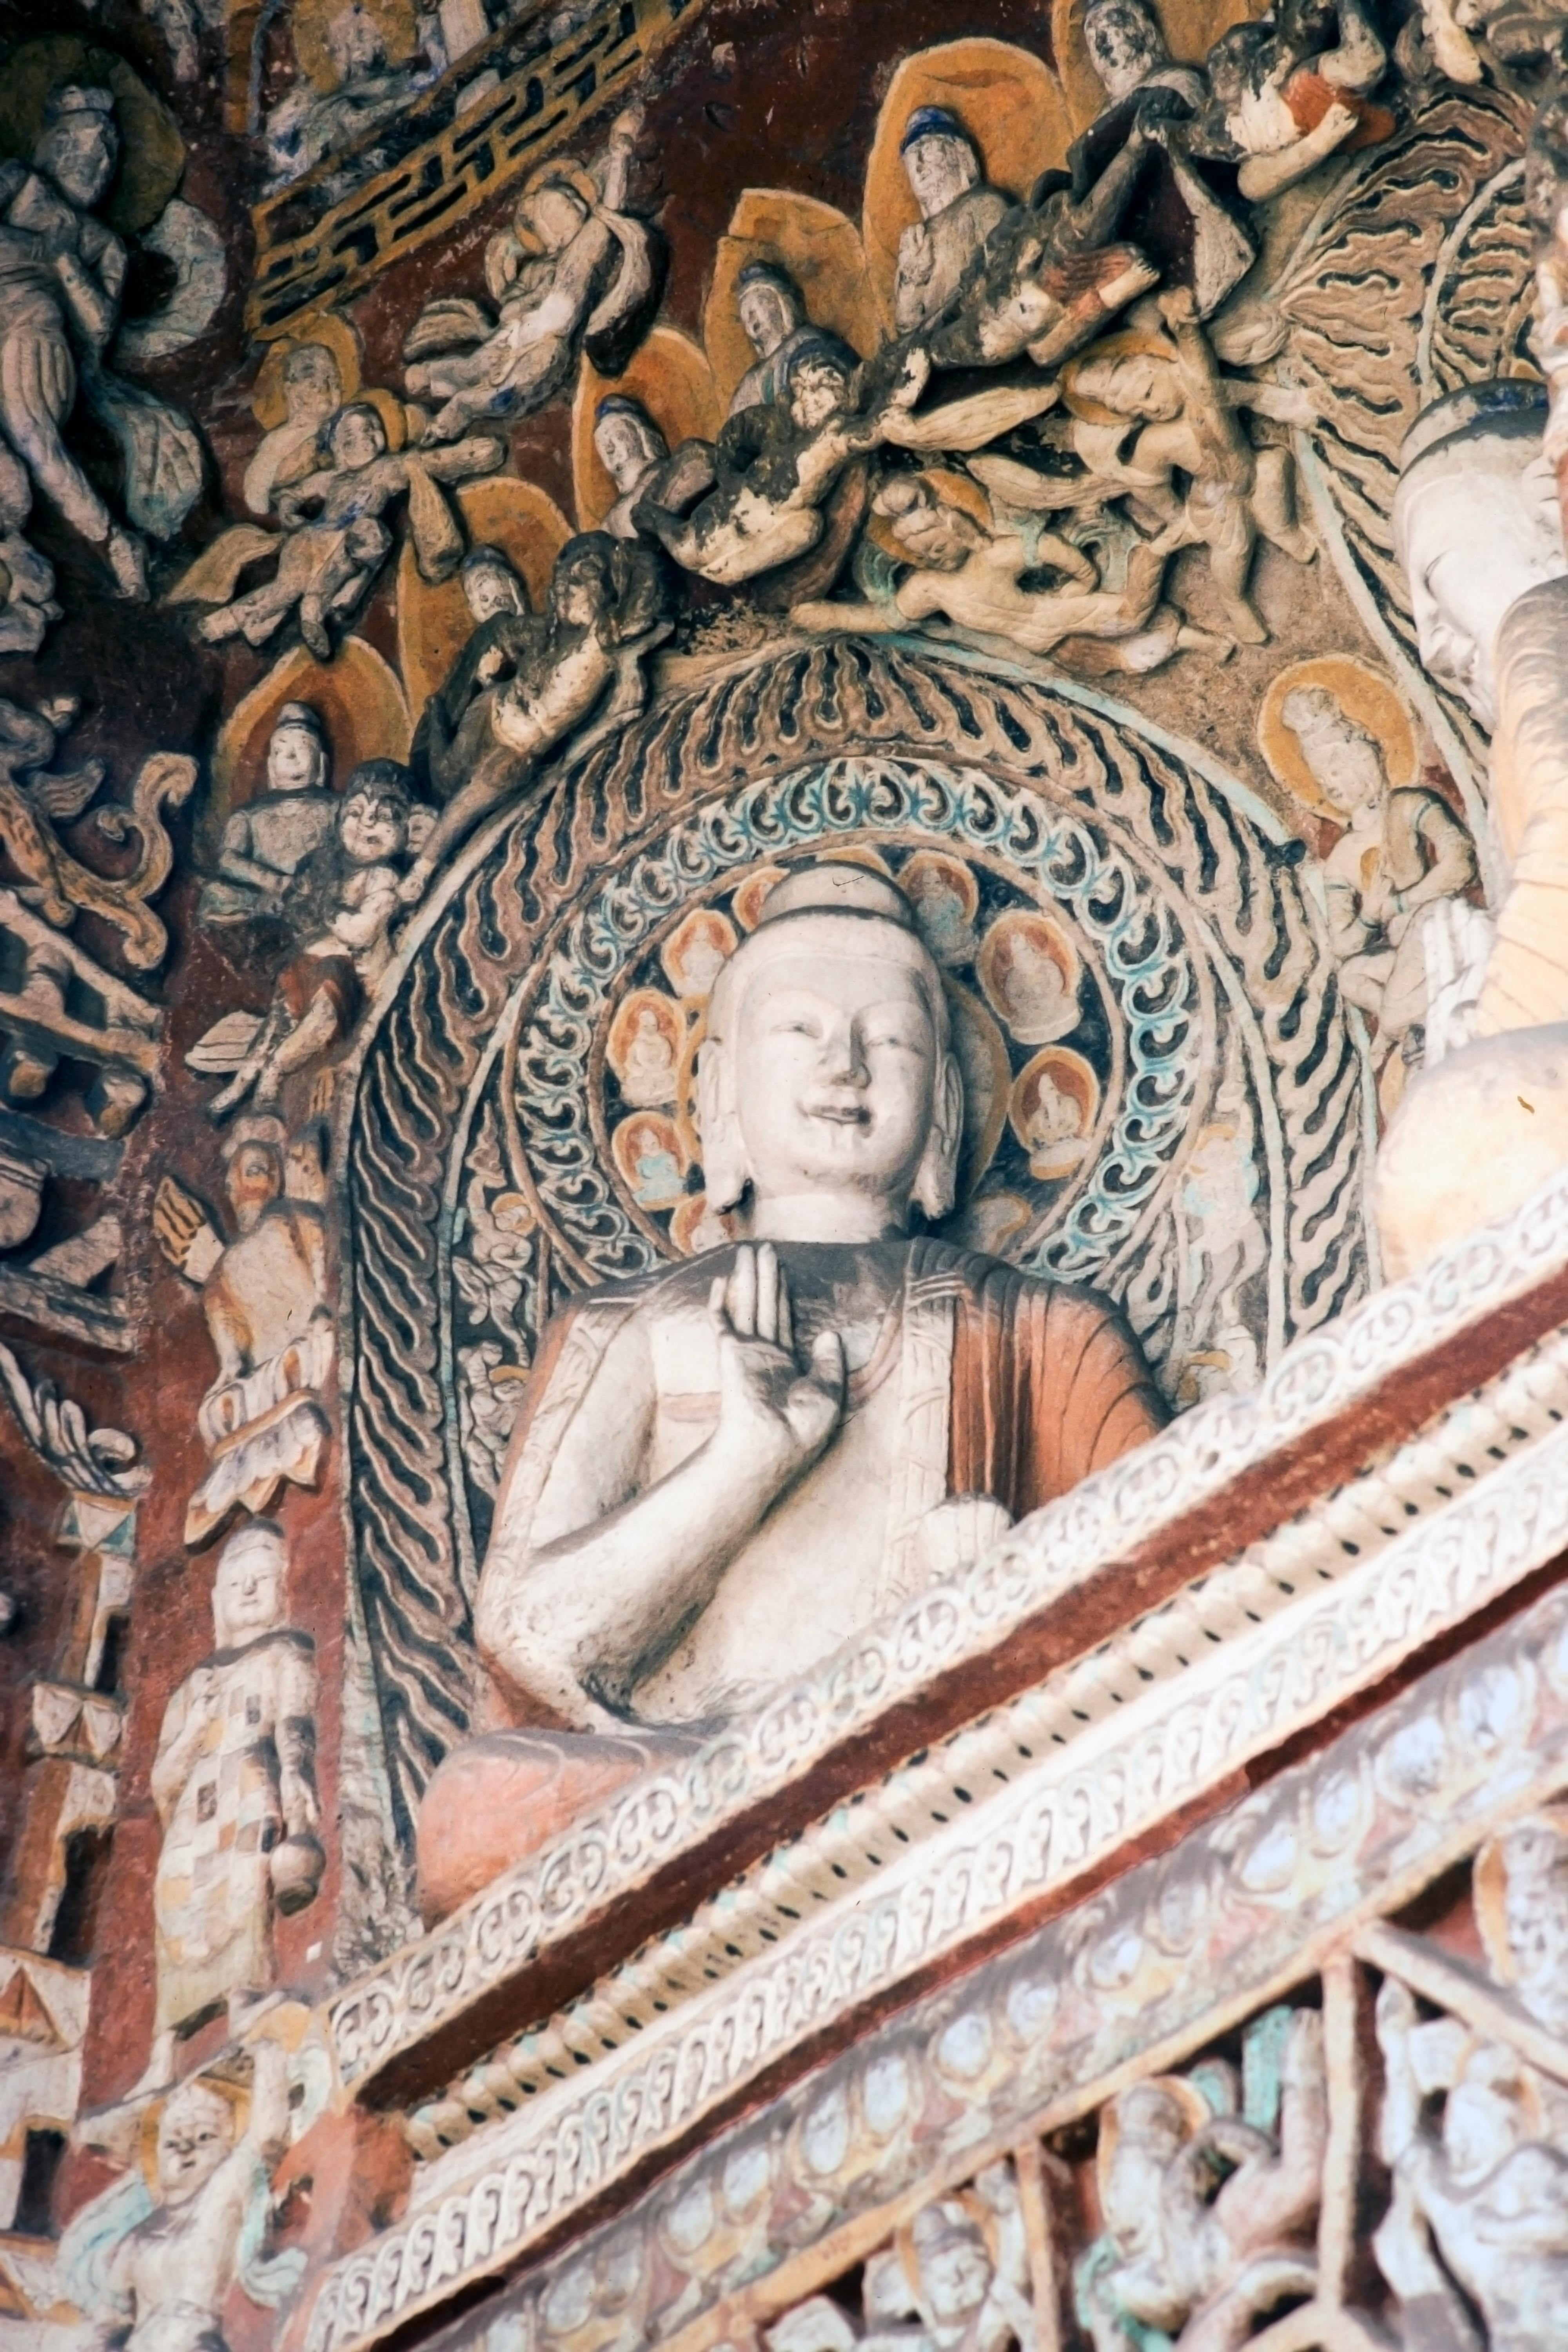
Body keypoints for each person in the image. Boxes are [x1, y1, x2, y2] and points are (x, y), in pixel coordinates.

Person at [417, 862, 1165, 1915]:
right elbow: (532, 1639)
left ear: (944, 1106)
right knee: (480, 1809)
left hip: (935, 1731)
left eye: (893, 1040)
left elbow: (1170, 1588)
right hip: (695, 1769)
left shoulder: (1040, 1328)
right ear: (720, 1092)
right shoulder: (624, 1327)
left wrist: (1011, 1594)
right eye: (801, 1032)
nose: (847, 1065)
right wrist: (742, 1467)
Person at [0, 85, 198, 597]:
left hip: (32, 325)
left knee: (32, 437)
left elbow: (99, 326)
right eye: (83, 145)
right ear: (53, 143)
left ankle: (115, 541)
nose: (96, 160)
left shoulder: (102, 242)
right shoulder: (19, 181)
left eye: (107, 152)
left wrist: (65, 260)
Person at [144, 1521, 321, 2087]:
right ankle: (164, 2053)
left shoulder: (285, 1654)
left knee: (244, 1886)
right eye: (237, 1581)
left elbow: (295, 1725)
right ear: (218, 1598)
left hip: (250, 1788)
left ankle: (247, 1999)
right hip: (193, 1812)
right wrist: (196, 1726)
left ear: (284, 1586)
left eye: (262, 1578)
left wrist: (296, 1786)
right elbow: (162, 1782)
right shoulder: (194, 1687)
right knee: (174, 1909)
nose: (248, 1591)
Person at [182, 400, 503, 661]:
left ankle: (314, 610)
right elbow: (291, 494)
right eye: (352, 437)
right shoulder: (332, 479)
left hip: (349, 540)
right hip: (310, 539)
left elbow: (430, 461)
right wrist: (291, 514)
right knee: (286, 589)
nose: (367, 437)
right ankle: (221, 623)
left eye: (374, 429)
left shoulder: (385, 470)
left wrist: (469, 455)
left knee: (369, 535)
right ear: (338, 449)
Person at [410, 544, 536, 802]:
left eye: (498, 596)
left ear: (513, 588)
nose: (490, 605)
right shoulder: (488, 636)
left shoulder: (509, 632)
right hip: (444, 752)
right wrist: (483, 679)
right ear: (472, 608)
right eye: (481, 599)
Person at [199, 704, 338, 935]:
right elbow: (229, 859)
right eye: (281, 752)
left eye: (302, 749)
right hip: (266, 895)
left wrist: (312, 883)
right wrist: (273, 882)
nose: (291, 757)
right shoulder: (248, 815)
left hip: (318, 892)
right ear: (271, 767)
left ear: (322, 764)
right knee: (217, 893)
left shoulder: (336, 807)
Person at [893, 108, 1013, 334]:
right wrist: (912, 279)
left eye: (926, 148)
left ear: (958, 152)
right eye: (911, 157)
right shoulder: (915, 241)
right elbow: (905, 329)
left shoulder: (984, 206)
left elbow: (1004, 274)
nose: (918, 165)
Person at [729, 260, 857, 416]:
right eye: (745, 312)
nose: (751, 316)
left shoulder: (807, 341)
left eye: (760, 303)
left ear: (782, 304)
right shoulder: (751, 379)